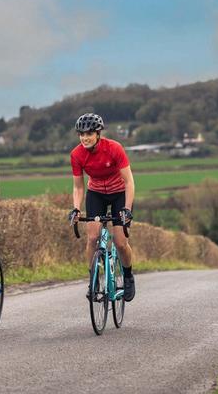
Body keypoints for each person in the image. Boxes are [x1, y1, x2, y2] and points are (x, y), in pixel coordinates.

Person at [68, 113, 136, 301]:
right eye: (81, 134)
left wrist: (127, 209)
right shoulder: (76, 154)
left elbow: (129, 182)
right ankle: (94, 280)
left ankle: (128, 276)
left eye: (89, 133)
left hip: (119, 193)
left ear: (98, 133)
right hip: (96, 193)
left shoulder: (114, 148)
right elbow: (78, 186)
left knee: (120, 243)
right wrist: (76, 208)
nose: (85, 138)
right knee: (92, 237)